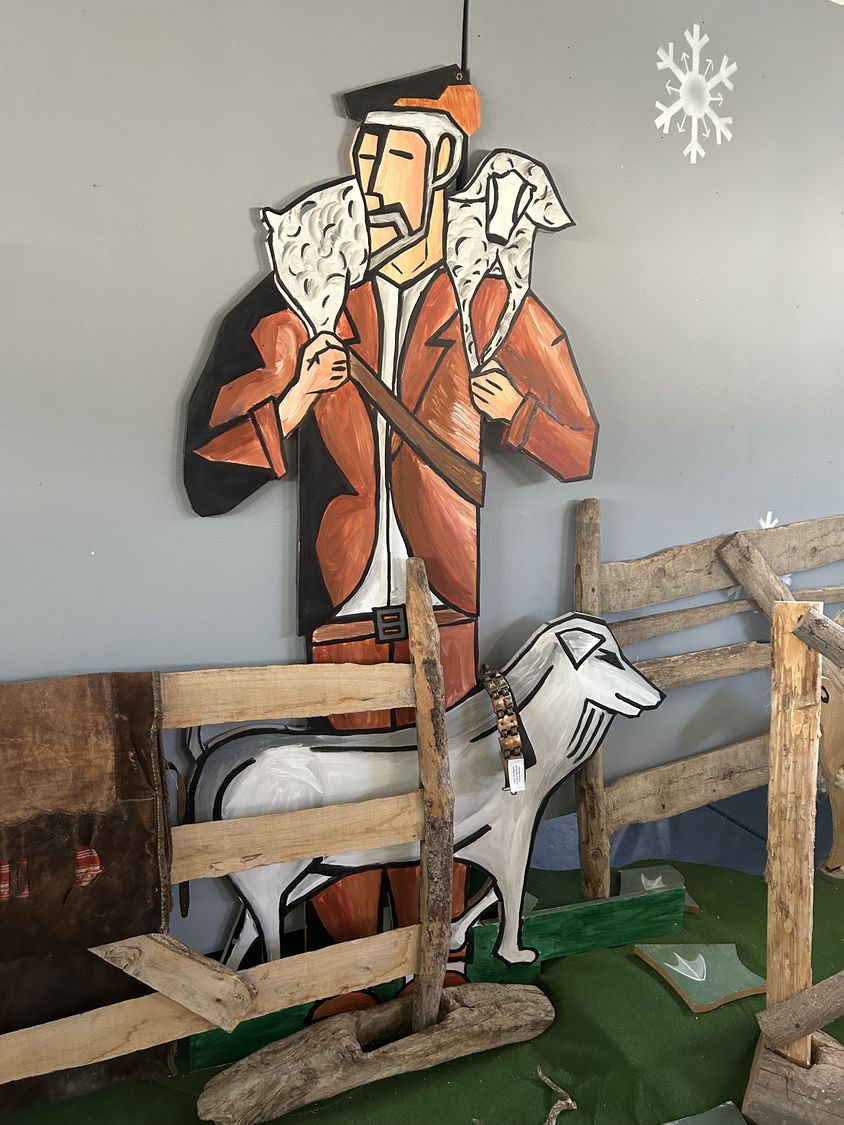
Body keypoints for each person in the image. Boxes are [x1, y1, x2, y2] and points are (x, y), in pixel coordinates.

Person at [184, 65, 598, 1007]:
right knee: (340, 804)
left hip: (445, 605)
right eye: (365, 150)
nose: (369, 173)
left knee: (440, 793)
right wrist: (295, 399)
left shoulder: (487, 300)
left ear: (443, 164)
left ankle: (435, 968)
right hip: (340, 604)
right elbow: (208, 469)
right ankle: (339, 983)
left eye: (393, 153)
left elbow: (577, 441)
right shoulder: (311, 293)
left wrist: (517, 411)